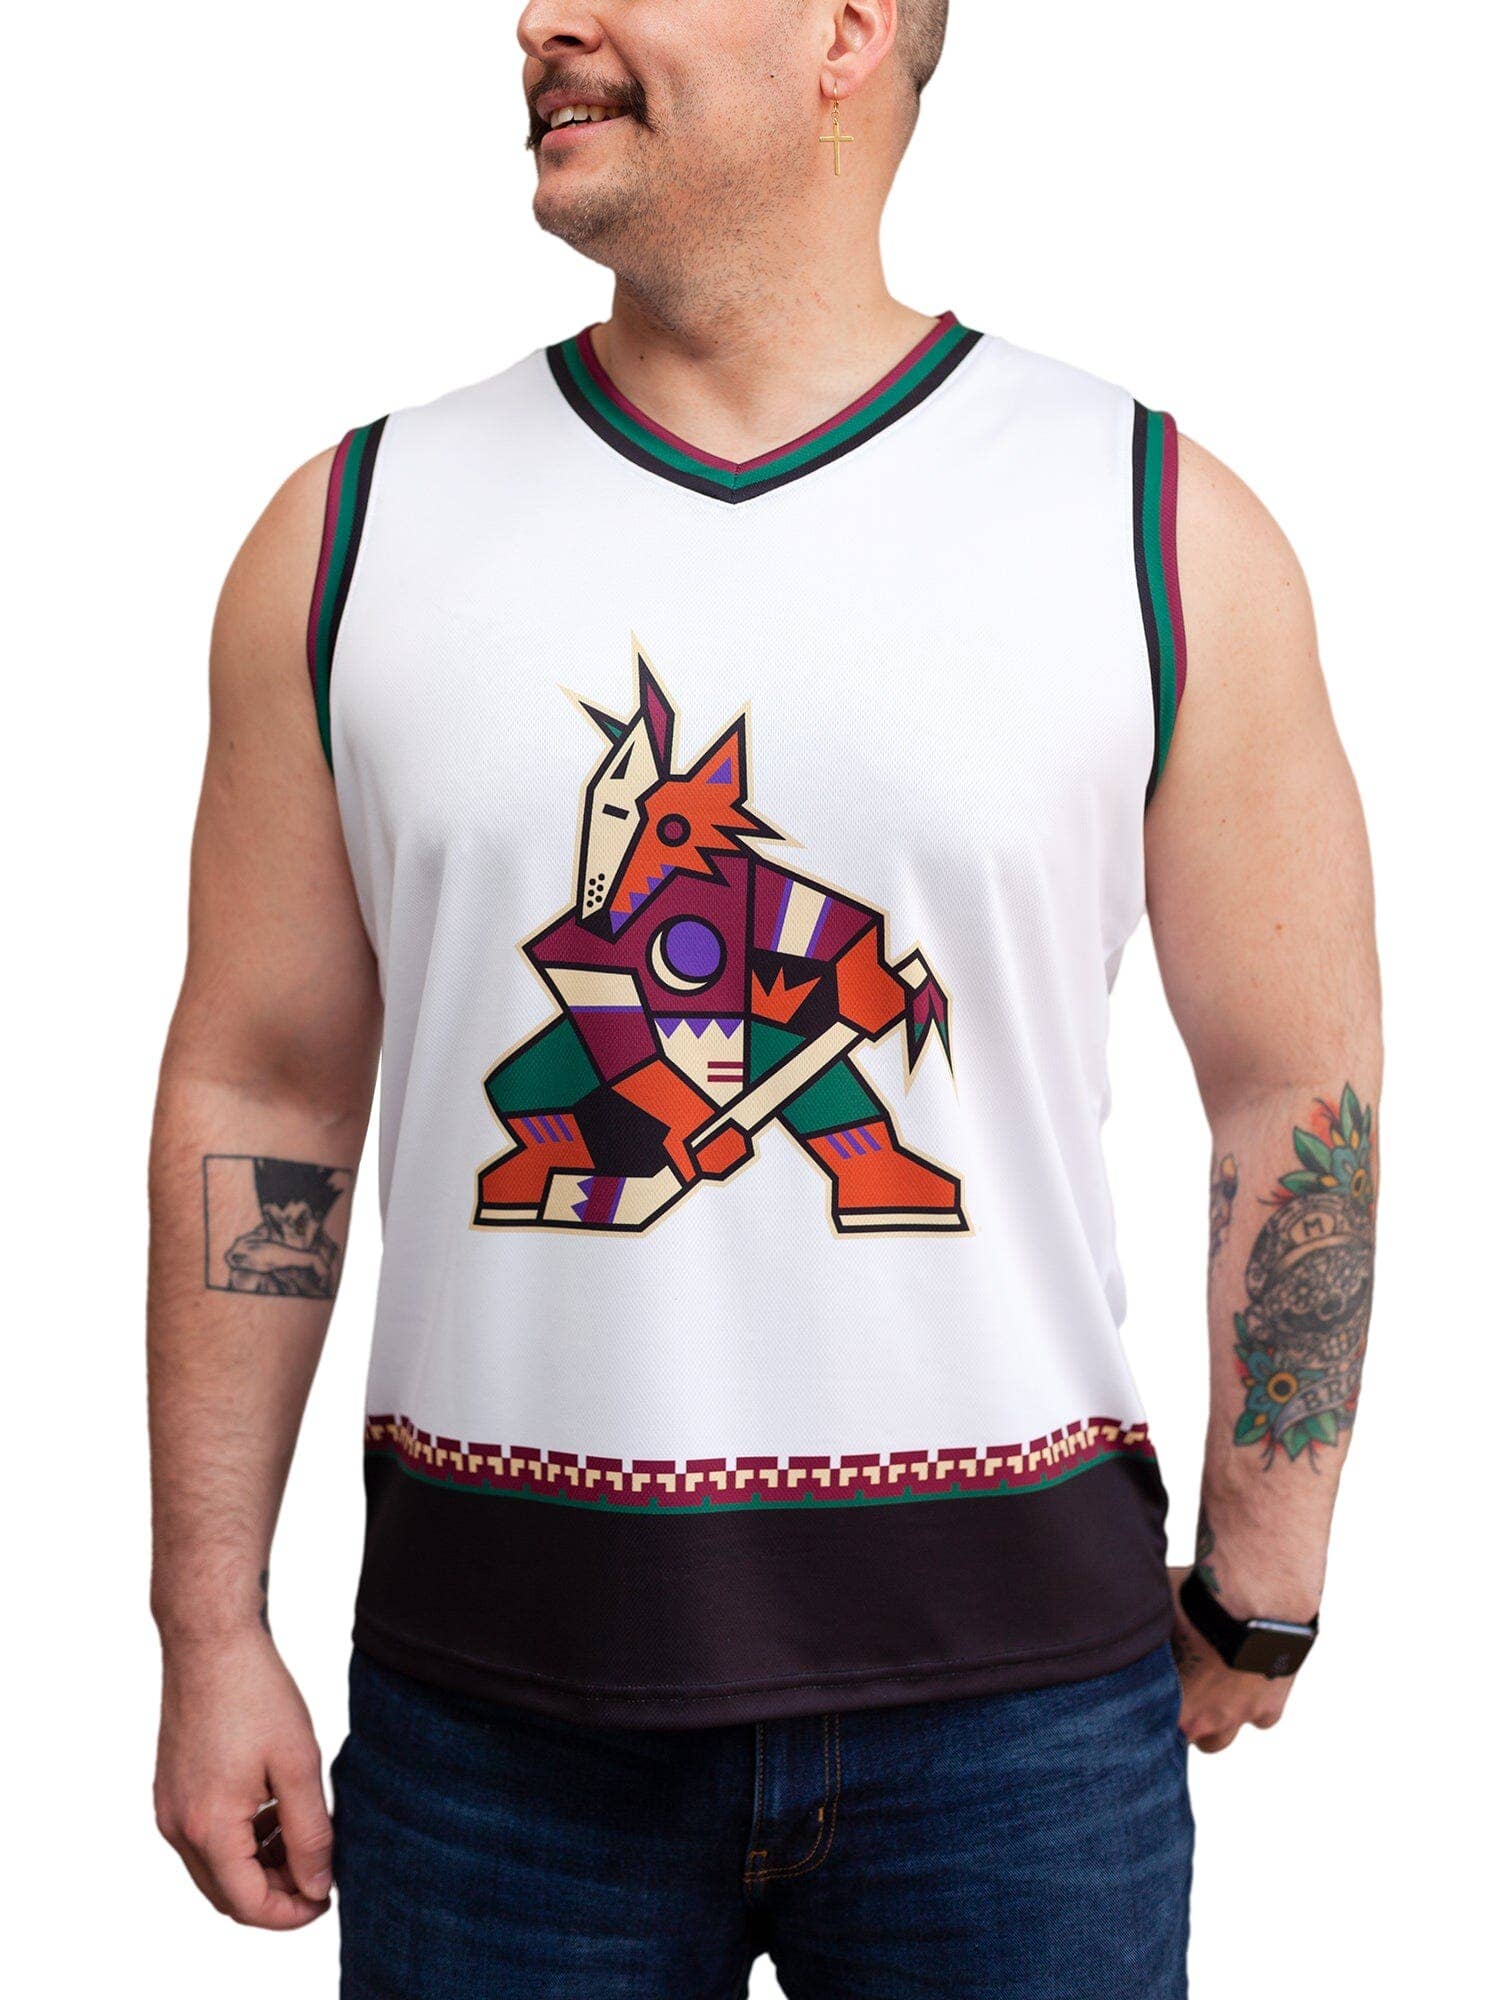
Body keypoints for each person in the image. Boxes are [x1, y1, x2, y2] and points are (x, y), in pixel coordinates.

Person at [147, 4, 1381, 1994]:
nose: (541, 18)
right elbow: (262, 1093)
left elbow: (1294, 1084)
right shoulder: (351, 533)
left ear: (847, 31)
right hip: (492, 1725)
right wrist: (211, 1624)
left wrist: (1270, 1567)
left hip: (1019, 1732)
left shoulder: (1155, 522)